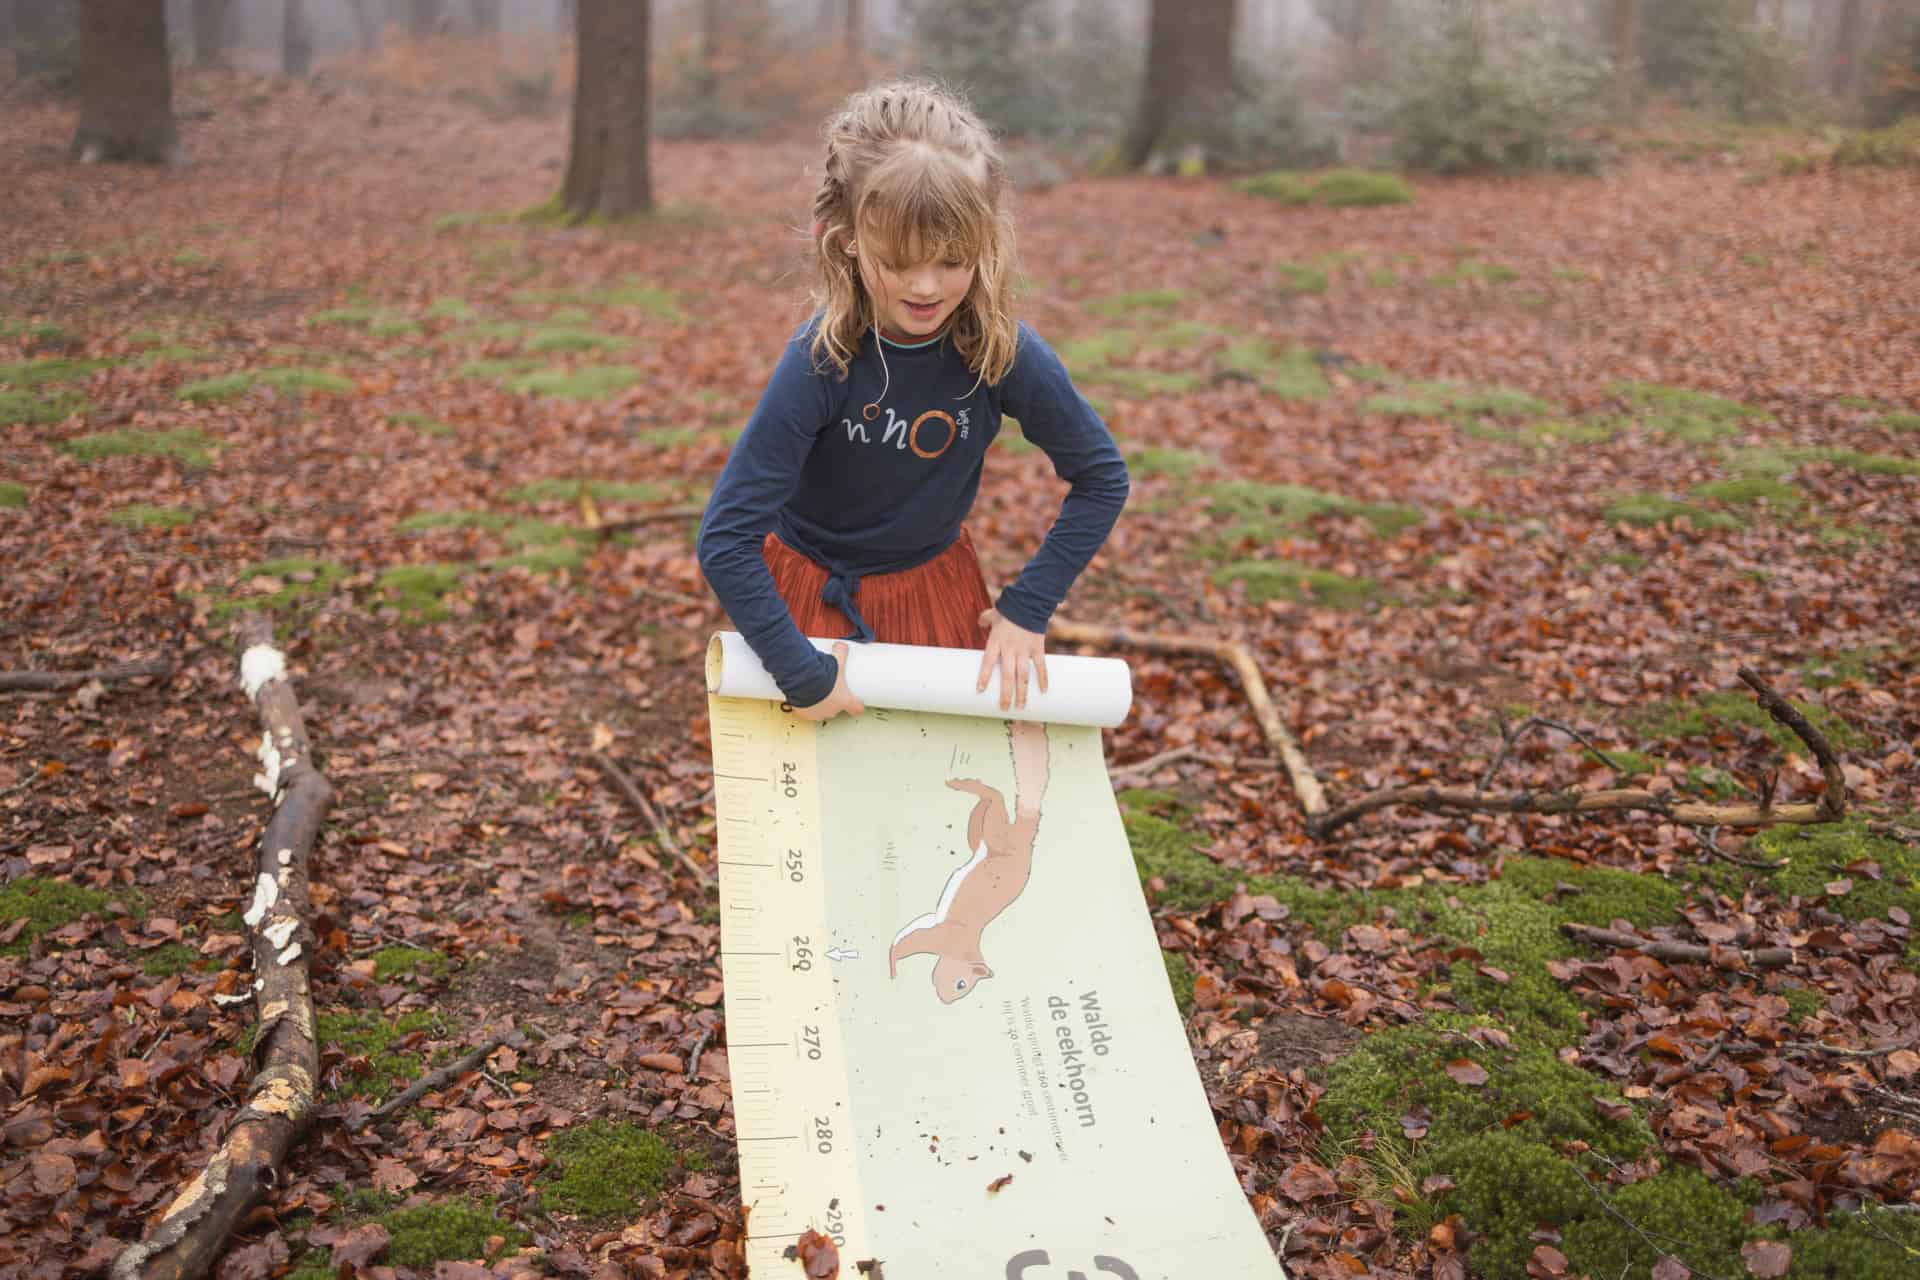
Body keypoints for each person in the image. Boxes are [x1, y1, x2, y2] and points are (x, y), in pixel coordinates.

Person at [696, 79, 1129, 721]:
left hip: (934, 597)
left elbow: (1101, 478)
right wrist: (800, 673)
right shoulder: (821, 361)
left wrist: (1029, 606)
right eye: (900, 262)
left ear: (985, 241)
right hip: (806, 605)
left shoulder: (1001, 352)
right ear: (847, 238)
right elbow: (725, 540)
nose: (926, 287)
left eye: (952, 261)